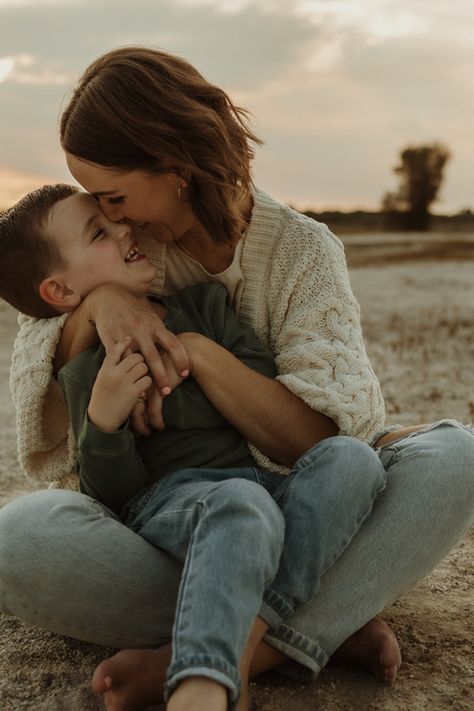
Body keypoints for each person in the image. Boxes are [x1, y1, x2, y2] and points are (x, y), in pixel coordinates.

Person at [0, 45, 472, 709]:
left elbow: (322, 440)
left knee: (452, 455)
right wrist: (100, 308)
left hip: (301, 499)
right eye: (100, 212)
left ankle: (234, 651)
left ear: (174, 166)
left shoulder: (300, 252)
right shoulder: (131, 256)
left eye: (115, 197)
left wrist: (196, 349)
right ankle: (326, 623)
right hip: (182, 519)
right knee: (19, 538)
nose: (119, 220)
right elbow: (43, 330)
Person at [0, 184, 387, 711]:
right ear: (61, 292)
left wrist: (193, 358)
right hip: (177, 502)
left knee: (352, 460)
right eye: (98, 233)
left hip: (267, 485)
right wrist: (105, 422)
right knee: (239, 504)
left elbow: (262, 380)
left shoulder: (203, 307)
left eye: (114, 218)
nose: (123, 229)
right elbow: (113, 496)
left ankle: (244, 641)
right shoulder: (89, 365)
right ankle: (207, 682)